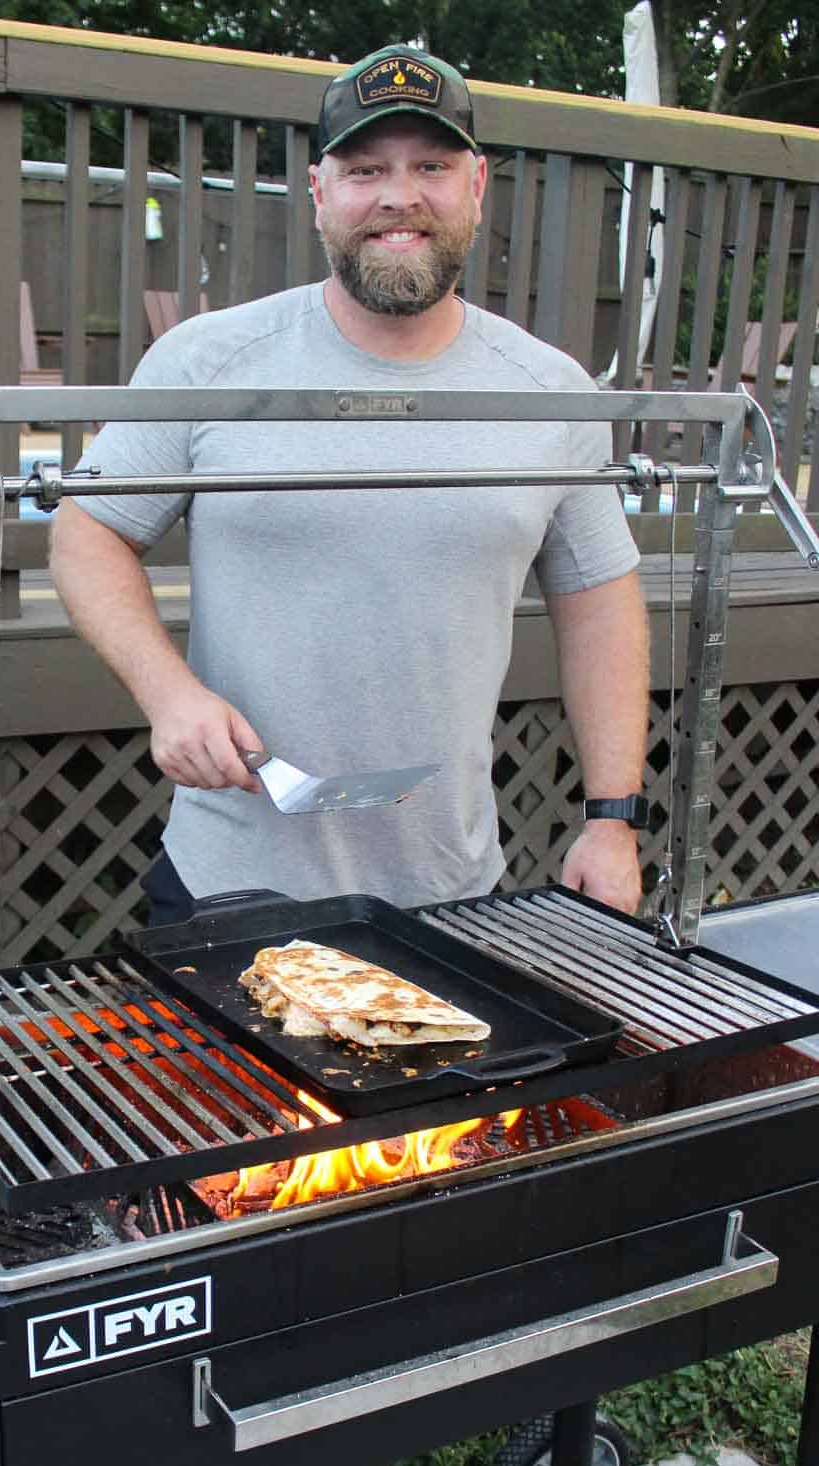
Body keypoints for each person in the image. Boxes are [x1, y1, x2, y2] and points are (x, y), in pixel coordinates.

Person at [49, 45, 649, 928]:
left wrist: (612, 817)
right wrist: (168, 692)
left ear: (476, 186)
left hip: (453, 892)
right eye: (365, 168)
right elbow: (88, 532)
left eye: (430, 167)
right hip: (228, 884)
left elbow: (598, 598)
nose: (398, 196)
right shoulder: (208, 362)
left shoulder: (550, 390)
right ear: (320, 191)